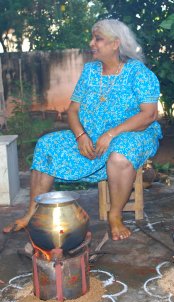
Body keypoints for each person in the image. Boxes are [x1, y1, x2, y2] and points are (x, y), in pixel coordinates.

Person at [3, 19, 162, 240]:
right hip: (91, 135)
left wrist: (110, 134)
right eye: (93, 38)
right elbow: (72, 110)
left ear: (116, 43)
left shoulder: (138, 73)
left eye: (98, 39)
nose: (91, 43)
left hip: (134, 133)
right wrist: (80, 135)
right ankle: (31, 213)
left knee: (120, 155)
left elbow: (149, 115)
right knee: (46, 144)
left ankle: (115, 215)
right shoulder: (90, 71)